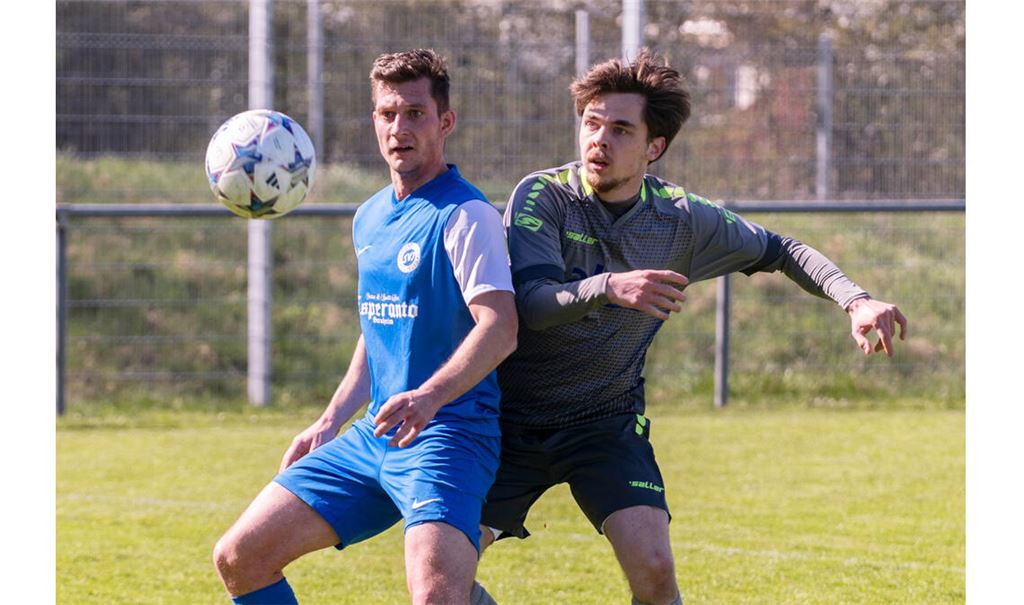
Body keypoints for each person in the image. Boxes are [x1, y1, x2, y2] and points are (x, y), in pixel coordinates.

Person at [476, 49, 907, 605]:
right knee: (442, 578)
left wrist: (856, 301)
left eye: (621, 129)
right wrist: (609, 286)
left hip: (602, 422)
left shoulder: (681, 218)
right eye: (591, 123)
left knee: (656, 573)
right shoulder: (544, 195)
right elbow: (532, 304)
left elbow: (781, 249)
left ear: (654, 147)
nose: (599, 140)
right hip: (505, 420)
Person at [213, 49, 518, 605]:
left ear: (444, 122)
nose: (399, 128)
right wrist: (330, 420)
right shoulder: (371, 215)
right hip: (374, 436)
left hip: (447, 437)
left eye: (415, 113)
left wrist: (429, 396)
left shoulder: (466, 216)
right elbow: (378, 326)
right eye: (387, 113)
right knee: (240, 557)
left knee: (436, 598)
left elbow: (500, 327)